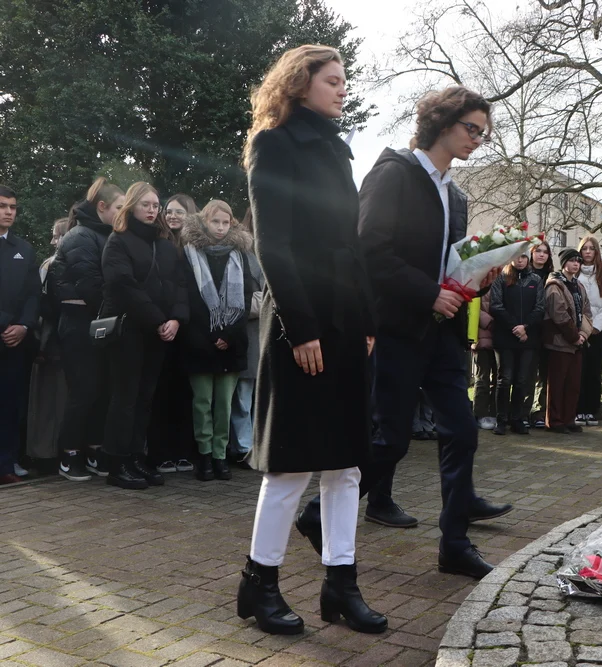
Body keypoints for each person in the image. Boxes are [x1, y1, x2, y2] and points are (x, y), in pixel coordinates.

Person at [239, 45, 385, 636]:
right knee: (292, 469)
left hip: (348, 322)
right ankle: (259, 586)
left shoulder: (335, 146)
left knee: (347, 466)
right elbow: (272, 244)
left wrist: (368, 320)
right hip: (301, 322)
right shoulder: (274, 144)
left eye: (344, 80)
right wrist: (301, 329)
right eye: (333, 80)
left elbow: (351, 246)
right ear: (300, 83)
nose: (342, 89)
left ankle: (340, 586)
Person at [352, 84, 512, 577]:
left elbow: (447, 261)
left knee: (461, 432)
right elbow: (369, 250)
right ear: (442, 123)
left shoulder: (455, 193)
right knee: (390, 441)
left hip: (442, 331)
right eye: (471, 129)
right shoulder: (393, 174)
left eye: (483, 134)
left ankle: (454, 545)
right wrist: (426, 292)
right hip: (399, 327)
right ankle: (319, 514)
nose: (477, 141)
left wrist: (475, 276)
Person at [101, 182, 188, 489]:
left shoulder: (165, 243)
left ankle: (137, 456)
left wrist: (176, 319)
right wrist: (157, 319)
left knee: (145, 398)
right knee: (125, 398)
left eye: (156, 205)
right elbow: (123, 286)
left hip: (159, 332)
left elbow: (179, 284)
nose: (152, 210)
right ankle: (118, 462)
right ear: (132, 207)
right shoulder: (118, 241)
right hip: (129, 331)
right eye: (146, 205)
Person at [48, 179, 124, 480]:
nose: (123, 213)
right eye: (119, 207)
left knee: (102, 390)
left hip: (99, 324)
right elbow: (91, 287)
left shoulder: (104, 235)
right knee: (84, 392)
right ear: (102, 207)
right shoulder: (80, 236)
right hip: (80, 326)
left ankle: (94, 450)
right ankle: (69, 455)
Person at [180, 200, 255, 481]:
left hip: (231, 343)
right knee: (202, 402)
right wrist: (210, 334)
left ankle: (221, 456)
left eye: (226, 222)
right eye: (216, 222)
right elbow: (189, 298)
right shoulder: (189, 253)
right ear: (204, 222)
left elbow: (245, 299)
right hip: (199, 341)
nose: (221, 228)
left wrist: (227, 335)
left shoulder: (239, 254)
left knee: (224, 404)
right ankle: (204, 456)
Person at [147, 193, 200, 475]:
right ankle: (162, 452)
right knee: (162, 391)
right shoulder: (159, 244)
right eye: (168, 211)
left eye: (179, 212)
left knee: (185, 393)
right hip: (165, 326)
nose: (172, 216)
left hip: (192, 329)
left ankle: (182, 451)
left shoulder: (198, 247)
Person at [0, 185, 40, 486]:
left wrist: (24, 325)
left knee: (11, 402)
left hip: (16, 341)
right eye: (3, 206)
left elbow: (33, 294)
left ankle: (6, 463)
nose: (9, 212)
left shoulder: (24, 249)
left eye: (13, 207)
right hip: (5, 331)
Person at [25, 218, 70, 467]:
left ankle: (48, 453)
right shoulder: (48, 265)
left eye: (56, 235)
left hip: (51, 341)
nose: (53, 241)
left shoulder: (53, 265)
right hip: (51, 344)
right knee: (49, 401)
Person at [489, 251, 544, 435]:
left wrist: (525, 327)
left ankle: (517, 419)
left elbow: (540, 307)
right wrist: (515, 327)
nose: (519, 260)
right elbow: (496, 305)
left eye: (523, 257)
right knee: (505, 379)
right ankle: (501, 420)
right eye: (516, 256)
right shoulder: (501, 278)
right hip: (505, 337)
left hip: (528, 338)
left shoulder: (536, 280)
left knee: (522, 380)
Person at [544, 248, 593, 433]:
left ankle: (568, 419)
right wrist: (574, 336)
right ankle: (555, 421)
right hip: (559, 342)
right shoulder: (554, 285)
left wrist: (583, 335)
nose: (576, 264)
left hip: (577, 343)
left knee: (573, 384)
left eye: (578, 261)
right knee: (557, 383)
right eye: (572, 261)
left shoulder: (579, 286)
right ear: (564, 263)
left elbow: (587, 313)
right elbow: (559, 314)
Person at [230, 209, 264, 463]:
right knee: (244, 393)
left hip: (270, 334)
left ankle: (257, 443)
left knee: (260, 395)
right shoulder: (240, 251)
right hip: (249, 331)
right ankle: (243, 446)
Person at [576, 235, 602, 426]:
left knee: (594, 370)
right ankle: (578, 410)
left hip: (599, 330)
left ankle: (591, 410)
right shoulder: (575, 272)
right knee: (579, 370)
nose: (588, 252)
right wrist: (583, 328)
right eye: (585, 248)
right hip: (578, 330)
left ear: (597, 252)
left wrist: (597, 326)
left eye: (592, 248)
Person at [527, 240, 554, 427]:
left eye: (545, 252)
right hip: (527, 328)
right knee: (527, 373)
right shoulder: (522, 274)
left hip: (546, 329)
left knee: (544, 374)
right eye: (538, 251)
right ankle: (522, 411)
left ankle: (539, 412)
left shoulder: (552, 277)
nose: (541, 255)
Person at [472, 292, 498, 431]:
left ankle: (494, 413)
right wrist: (490, 322)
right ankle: (480, 414)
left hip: (500, 339)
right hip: (482, 338)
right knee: (482, 378)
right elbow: (474, 306)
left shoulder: (505, 280)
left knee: (498, 379)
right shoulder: (481, 281)